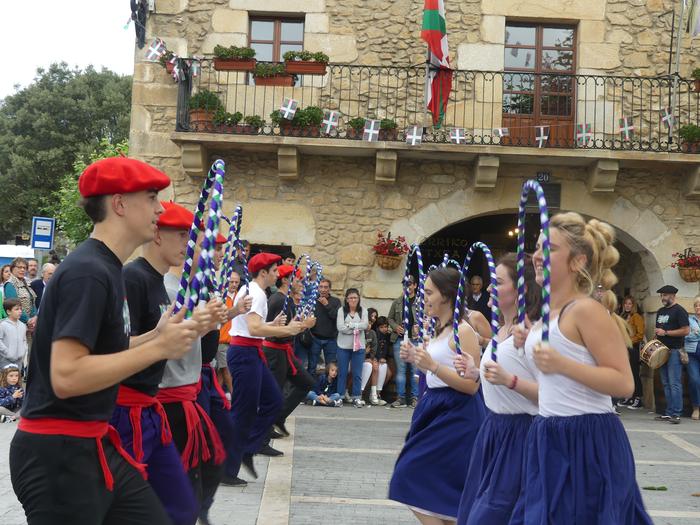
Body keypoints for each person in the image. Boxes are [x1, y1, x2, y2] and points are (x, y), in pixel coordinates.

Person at [9, 156, 200, 524]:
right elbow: (67, 376)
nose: (161, 208)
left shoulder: (107, 268)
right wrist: (159, 348)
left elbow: (103, 353)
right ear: (120, 204)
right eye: (151, 197)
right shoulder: (88, 272)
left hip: (91, 445)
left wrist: (154, 336)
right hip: (59, 457)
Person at [509, 212, 652, 525]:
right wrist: (524, 342)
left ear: (576, 262)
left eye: (549, 248)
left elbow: (623, 383)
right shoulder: (548, 314)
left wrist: (562, 363)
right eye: (536, 246)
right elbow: (553, 384)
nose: (536, 255)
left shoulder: (586, 310)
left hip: (587, 439)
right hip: (547, 434)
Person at [111, 201, 209, 525]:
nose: (189, 244)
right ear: (157, 236)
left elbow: (170, 342)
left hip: (150, 410)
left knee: (183, 506)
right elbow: (116, 348)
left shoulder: (159, 282)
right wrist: (158, 336)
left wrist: (200, 326)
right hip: (126, 414)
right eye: (182, 236)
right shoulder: (133, 277)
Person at [389, 266, 486, 524]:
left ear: (445, 295)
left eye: (429, 292)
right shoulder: (438, 329)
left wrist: (432, 365)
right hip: (433, 407)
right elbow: (434, 372)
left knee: (411, 473)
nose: (424, 298)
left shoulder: (463, 331)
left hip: (457, 413)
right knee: (417, 477)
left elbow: (471, 385)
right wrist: (417, 361)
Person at [456, 253, 541, 525]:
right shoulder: (502, 331)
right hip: (493, 431)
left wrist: (509, 380)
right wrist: (476, 373)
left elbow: (553, 393)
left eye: (498, 281)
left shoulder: (530, 332)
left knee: (492, 515)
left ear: (521, 290)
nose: (491, 287)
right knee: (476, 509)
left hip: (521, 435)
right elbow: (500, 380)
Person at [222, 253, 303, 486]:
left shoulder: (257, 292)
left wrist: (272, 326)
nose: (278, 274)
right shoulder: (256, 293)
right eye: (275, 270)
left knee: (273, 401)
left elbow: (253, 327)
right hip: (245, 354)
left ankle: (248, 448)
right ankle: (228, 469)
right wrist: (287, 331)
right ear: (264, 272)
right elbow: (254, 329)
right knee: (243, 412)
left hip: (250, 353)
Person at [262, 265, 316, 441]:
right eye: (297, 279)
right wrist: (304, 326)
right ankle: (265, 431)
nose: (301, 283)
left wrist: (301, 324)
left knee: (305, 382)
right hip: (274, 352)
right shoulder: (277, 300)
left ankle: (278, 417)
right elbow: (274, 332)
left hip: (285, 351)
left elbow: (289, 328)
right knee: (273, 393)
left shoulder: (289, 300)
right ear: (286, 280)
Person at [654, 284, 690, 424]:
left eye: (665, 295)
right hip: (661, 351)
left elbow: (686, 330)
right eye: (661, 295)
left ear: (673, 296)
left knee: (674, 382)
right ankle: (668, 413)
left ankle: (676, 413)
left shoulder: (680, 311)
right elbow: (658, 330)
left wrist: (666, 333)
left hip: (675, 351)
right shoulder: (660, 311)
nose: (662, 297)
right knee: (666, 382)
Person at [387, 276, 419, 408]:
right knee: (401, 370)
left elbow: (428, 317)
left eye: (410, 284)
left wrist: (420, 327)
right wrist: (396, 327)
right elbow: (390, 318)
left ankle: (415, 398)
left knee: (414, 370)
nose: (408, 286)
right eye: (405, 284)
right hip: (400, 339)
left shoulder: (421, 301)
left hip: (415, 340)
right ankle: (400, 398)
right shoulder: (397, 302)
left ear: (415, 285)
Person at [336, 288, 369, 407]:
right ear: (346, 299)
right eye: (350, 298)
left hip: (359, 347)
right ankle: (339, 396)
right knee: (342, 373)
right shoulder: (341, 310)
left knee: (357, 373)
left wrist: (350, 325)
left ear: (358, 298)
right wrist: (356, 329)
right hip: (343, 346)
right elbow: (340, 327)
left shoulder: (363, 310)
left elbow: (365, 325)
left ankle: (356, 397)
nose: (353, 300)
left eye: (355, 297)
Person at [309, 278, 341, 375]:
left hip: (331, 340)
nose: (323, 289)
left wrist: (327, 305)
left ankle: (328, 389)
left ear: (329, 289)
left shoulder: (336, 301)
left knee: (330, 367)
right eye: (321, 287)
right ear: (318, 288)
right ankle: (311, 389)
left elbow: (337, 317)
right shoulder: (313, 300)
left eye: (326, 287)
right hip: (315, 338)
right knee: (311, 366)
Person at [217, 271, 240, 396]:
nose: (234, 284)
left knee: (221, 372)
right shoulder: (221, 296)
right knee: (227, 370)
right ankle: (236, 397)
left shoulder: (239, 296)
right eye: (232, 282)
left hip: (234, 340)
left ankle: (217, 397)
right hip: (222, 339)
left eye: (236, 282)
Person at [620, 295, 645, 410]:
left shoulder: (637, 317)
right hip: (623, 348)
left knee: (634, 373)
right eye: (626, 304)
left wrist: (628, 341)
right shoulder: (623, 316)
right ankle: (629, 396)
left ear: (633, 305)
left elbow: (640, 335)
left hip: (633, 348)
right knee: (627, 374)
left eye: (630, 304)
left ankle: (638, 398)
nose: (627, 306)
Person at [3, 258, 37, 331]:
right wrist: (28, 320)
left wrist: (35, 318)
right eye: (19, 267)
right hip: (16, 325)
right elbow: (14, 306)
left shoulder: (26, 283)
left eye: (24, 268)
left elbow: (32, 302)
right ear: (12, 269)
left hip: (30, 325)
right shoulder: (10, 284)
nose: (22, 270)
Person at [684, 296, 700, 421]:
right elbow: (686, 336)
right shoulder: (689, 320)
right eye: (696, 306)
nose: (698, 307)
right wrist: (695, 335)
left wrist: (696, 333)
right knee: (694, 380)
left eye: (699, 305)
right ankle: (696, 408)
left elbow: (694, 334)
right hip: (692, 353)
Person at [0, 299, 28, 368]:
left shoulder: (23, 325)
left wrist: (23, 351)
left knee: (17, 378)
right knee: (6, 378)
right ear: (8, 311)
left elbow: (24, 340)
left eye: (21, 309)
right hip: (5, 360)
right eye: (17, 309)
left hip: (19, 360)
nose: (20, 311)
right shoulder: (3, 325)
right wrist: (7, 353)